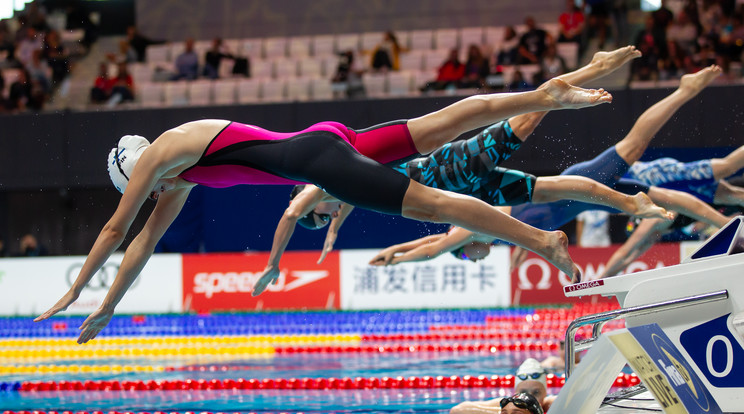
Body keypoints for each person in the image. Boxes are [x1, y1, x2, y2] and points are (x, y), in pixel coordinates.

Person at [33, 78, 613, 343]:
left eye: (139, 187)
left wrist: (75, 290)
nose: (147, 195)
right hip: (325, 140)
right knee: (444, 127)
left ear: (135, 172)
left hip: (317, 158)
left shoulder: (163, 155)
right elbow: (141, 246)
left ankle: (540, 242)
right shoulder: (176, 176)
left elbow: (117, 228)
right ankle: (544, 94)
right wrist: (109, 305)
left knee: (432, 201)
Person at [273, 47, 667, 266]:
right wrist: (338, 235)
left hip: (452, 167)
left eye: (324, 214)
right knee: (548, 189)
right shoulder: (345, 190)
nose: (330, 215)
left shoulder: (328, 180)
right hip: (474, 192)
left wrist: (277, 259)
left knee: (530, 117)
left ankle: (591, 68)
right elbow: (344, 207)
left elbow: (307, 203)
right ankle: (630, 202)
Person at [370, 66, 730, 282]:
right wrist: (397, 249)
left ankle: (682, 92)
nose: (478, 259)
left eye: (470, 257)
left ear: (466, 248)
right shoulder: (495, 228)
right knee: (661, 197)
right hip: (585, 197)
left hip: (582, 189)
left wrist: (396, 257)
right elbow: (435, 242)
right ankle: (726, 226)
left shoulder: (472, 225)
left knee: (635, 145)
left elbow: (436, 246)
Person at [450, 358, 549, 414]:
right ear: (515, 393)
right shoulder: (507, 404)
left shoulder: (552, 404)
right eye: (523, 392)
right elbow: (456, 411)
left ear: (545, 393)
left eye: (536, 392)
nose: (529, 396)